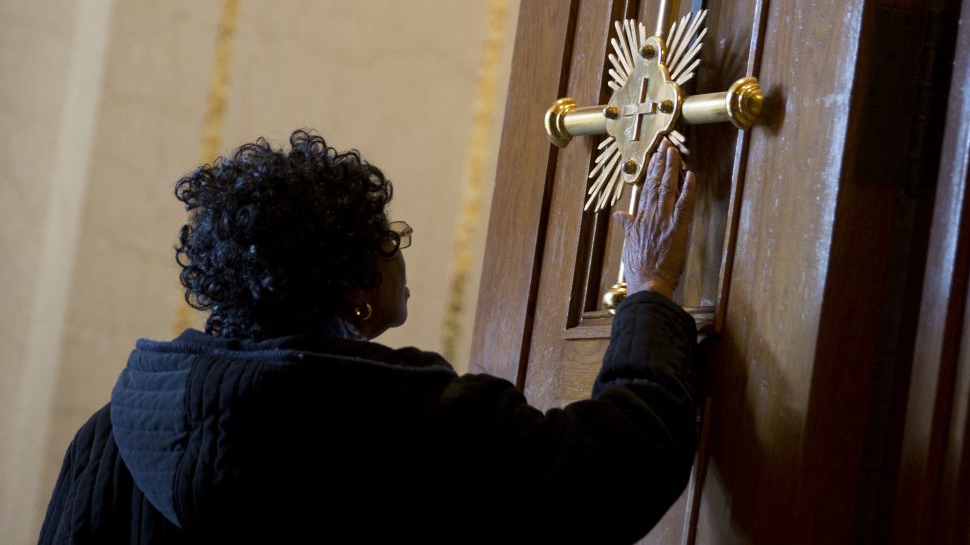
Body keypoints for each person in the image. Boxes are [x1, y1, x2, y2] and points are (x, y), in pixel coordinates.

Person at [39, 130, 699, 544]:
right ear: (356, 285)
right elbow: (615, 467)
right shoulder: (406, 425)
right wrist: (647, 287)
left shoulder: (111, 440)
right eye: (388, 237)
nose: (400, 248)